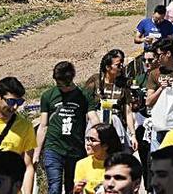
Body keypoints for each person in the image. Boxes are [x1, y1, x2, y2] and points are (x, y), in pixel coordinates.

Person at [35, 61, 101, 194]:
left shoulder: (84, 96)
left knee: (73, 186)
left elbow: (93, 117)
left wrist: (101, 137)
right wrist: (36, 153)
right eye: (58, 84)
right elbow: (43, 126)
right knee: (55, 186)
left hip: (75, 149)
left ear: (71, 80)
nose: (61, 88)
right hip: (53, 147)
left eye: (64, 85)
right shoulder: (48, 96)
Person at [85, 50, 137, 152]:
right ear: (108, 67)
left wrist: (132, 134)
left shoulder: (124, 84)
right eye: (118, 65)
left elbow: (128, 112)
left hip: (116, 125)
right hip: (96, 124)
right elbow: (86, 105)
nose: (121, 67)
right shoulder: (95, 81)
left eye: (122, 64)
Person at [72, 124, 122, 194]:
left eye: (93, 140)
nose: (88, 143)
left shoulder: (119, 165)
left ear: (105, 145)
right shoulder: (81, 164)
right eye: (87, 139)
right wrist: (77, 191)